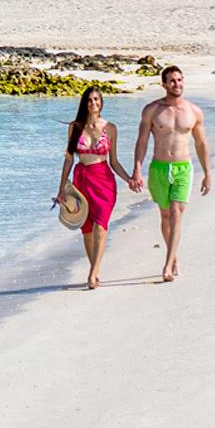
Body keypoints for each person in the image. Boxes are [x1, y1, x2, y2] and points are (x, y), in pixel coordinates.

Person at [134, 64, 214, 283]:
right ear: (164, 84)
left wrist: (207, 173)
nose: (177, 84)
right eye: (172, 81)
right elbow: (142, 141)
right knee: (165, 215)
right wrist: (137, 170)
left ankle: (167, 266)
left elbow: (201, 142)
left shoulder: (194, 112)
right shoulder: (152, 110)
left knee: (177, 211)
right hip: (159, 167)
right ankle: (174, 256)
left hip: (182, 168)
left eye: (180, 80)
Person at [53, 84, 131, 292]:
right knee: (87, 229)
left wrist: (129, 178)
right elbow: (69, 159)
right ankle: (94, 269)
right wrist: (62, 188)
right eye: (89, 100)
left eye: (96, 99)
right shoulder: (75, 127)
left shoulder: (111, 128)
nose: (93, 103)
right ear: (84, 104)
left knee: (100, 225)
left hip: (104, 181)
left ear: (101, 102)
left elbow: (114, 162)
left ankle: (92, 274)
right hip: (82, 180)